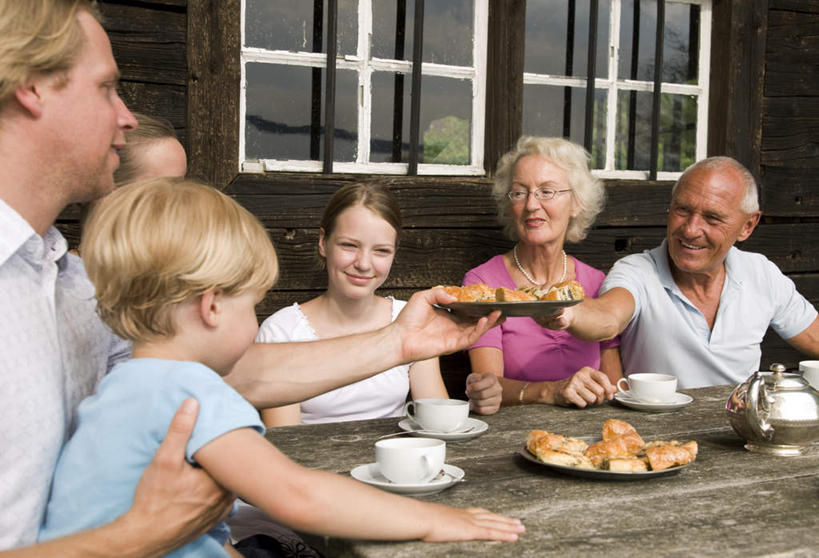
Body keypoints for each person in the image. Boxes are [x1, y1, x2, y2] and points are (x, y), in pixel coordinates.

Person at [0, 1, 501, 552]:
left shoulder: (67, 285)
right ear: (34, 86)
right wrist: (139, 536)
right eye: (105, 88)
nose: (124, 116)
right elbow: (295, 491)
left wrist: (400, 341)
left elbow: (230, 372)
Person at [38, 177, 524, 555]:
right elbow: (297, 494)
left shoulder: (119, 386)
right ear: (212, 308)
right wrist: (438, 521)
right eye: (252, 305)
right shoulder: (192, 390)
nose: (256, 321)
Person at [544, 156, 819, 388]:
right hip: (659, 440)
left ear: (747, 225)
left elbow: (814, 337)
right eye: (682, 210)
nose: (690, 229)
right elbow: (608, 318)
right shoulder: (637, 271)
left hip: (740, 434)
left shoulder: (761, 273)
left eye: (712, 218)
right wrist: (568, 312)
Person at [259, 183, 447, 427]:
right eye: (349, 245)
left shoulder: (411, 318)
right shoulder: (281, 331)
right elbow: (284, 442)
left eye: (381, 251)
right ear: (323, 242)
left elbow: (438, 423)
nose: (364, 264)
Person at [462, 136, 622, 411]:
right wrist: (551, 391)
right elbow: (489, 387)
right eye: (520, 192)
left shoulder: (597, 283)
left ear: (576, 203)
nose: (531, 205)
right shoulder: (483, 282)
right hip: (510, 433)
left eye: (547, 191)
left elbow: (615, 385)